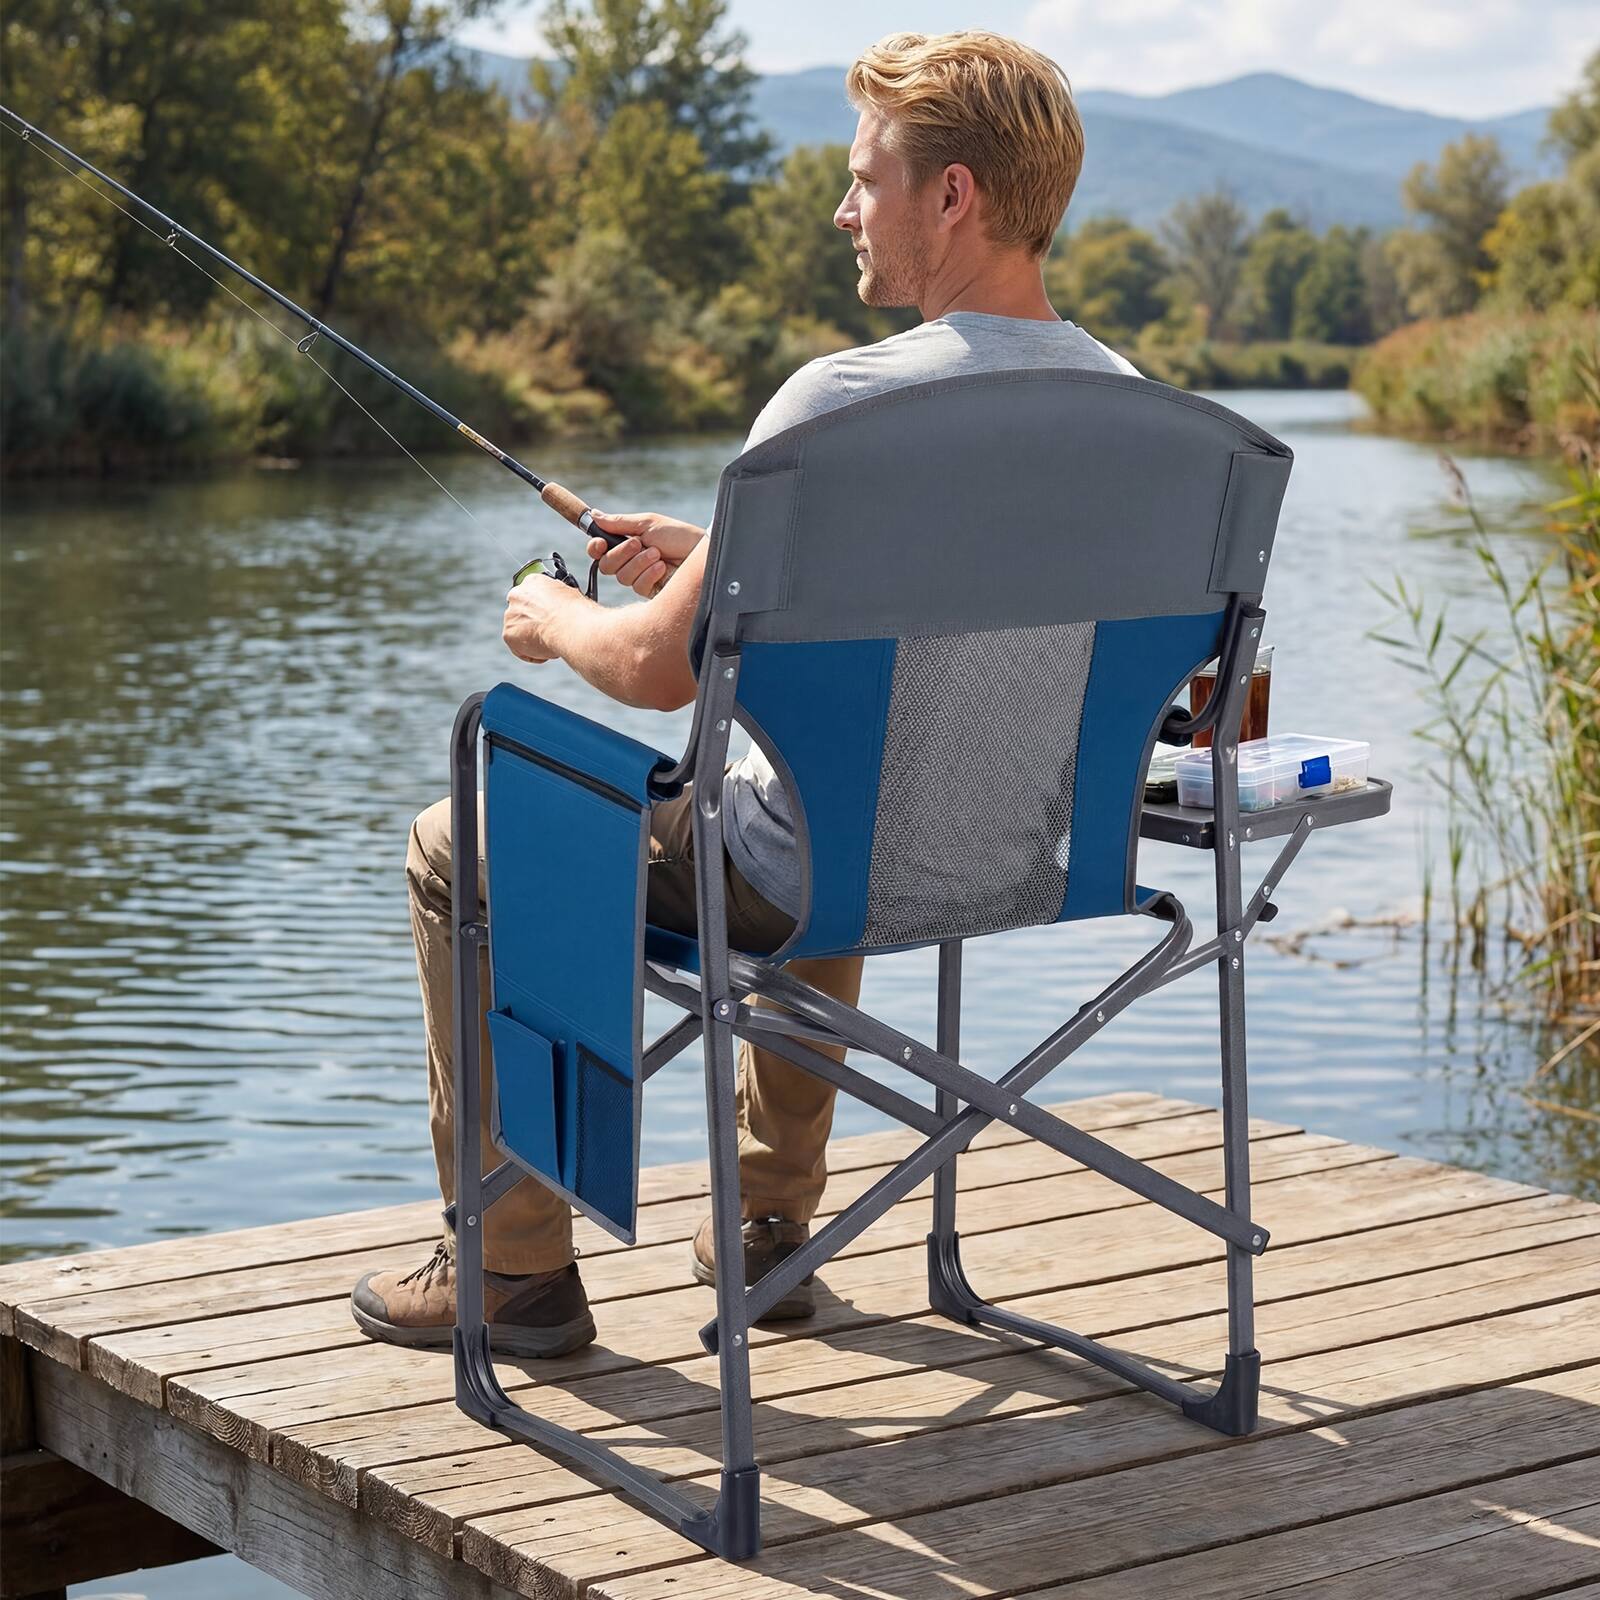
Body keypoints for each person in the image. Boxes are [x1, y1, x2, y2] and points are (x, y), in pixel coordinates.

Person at [351, 28, 1138, 1357]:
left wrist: (550, 616)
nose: (845, 209)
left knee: (460, 841)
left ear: (954, 196)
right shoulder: (1135, 414)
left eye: (865, 179)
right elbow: (927, 612)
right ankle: (767, 1227)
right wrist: (716, 554)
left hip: (807, 876)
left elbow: (657, 674)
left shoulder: (841, 405)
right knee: (832, 781)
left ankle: (515, 1272)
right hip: (1026, 861)